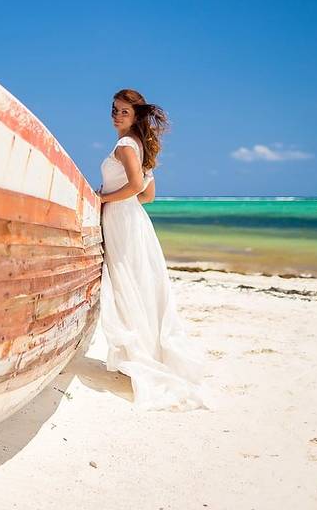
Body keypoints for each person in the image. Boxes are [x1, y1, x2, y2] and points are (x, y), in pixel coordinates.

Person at [95, 89, 215, 411]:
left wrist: (102, 198)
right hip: (133, 220)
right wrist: (118, 198)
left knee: (128, 286)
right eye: (115, 109)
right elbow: (148, 197)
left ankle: (140, 358)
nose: (117, 115)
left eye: (124, 111)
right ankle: (144, 354)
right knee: (137, 286)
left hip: (122, 220)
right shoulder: (138, 146)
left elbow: (136, 188)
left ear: (135, 116)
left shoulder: (124, 145)